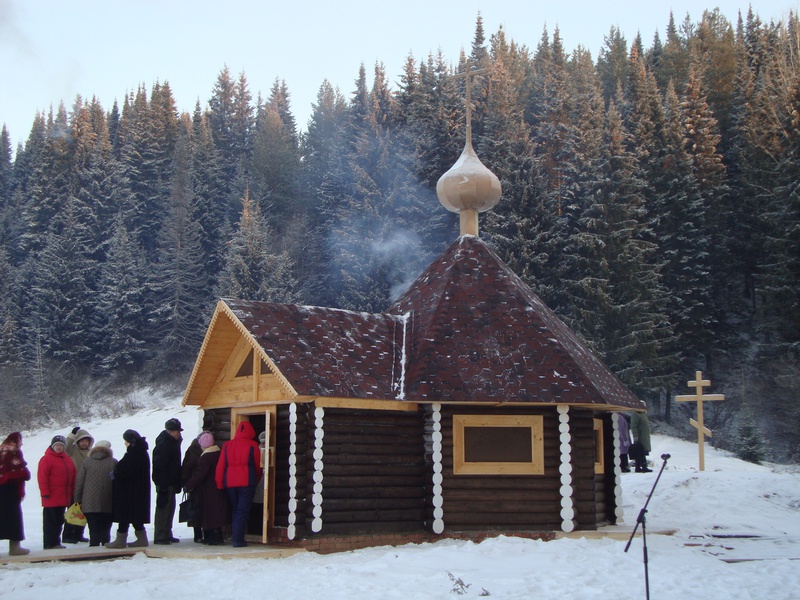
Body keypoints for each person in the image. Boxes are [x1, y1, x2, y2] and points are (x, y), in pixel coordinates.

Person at [215, 421, 261, 547]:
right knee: (242, 511)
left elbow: (220, 466)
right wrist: (256, 479)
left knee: (235, 510)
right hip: (247, 483)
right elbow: (258, 466)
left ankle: (236, 537)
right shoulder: (253, 445)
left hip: (229, 483)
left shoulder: (227, 445)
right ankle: (238, 539)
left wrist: (219, 483)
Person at [107, 429, 151, 549]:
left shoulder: (134, 453)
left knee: (125, 515)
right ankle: (141, 539)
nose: (125, 444)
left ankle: (120, 541)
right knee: (134, 516)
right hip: (137, 491)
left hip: (130, 490)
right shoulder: (140, 451)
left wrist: (116, 474)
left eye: (126, 441)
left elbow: (127, 470)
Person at [185, 432, 229, 546]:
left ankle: (213, 538)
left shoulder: (206, 457)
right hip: (219, 487)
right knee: (216, 512)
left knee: (209, 513)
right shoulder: (218, 453)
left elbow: (201, 474)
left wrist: (189, 484)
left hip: (208, 489)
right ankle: (217, 536)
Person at [74, 439, 117, 546]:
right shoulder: (113, 462)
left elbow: (80, 481)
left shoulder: (87, 462)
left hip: (89, 501)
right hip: (108, 500)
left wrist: (77, 499)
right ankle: (105, 543)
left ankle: (94, 544)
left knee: (93, 526)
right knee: (106, 526)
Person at [38, 435, 77, 550]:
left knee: (60, 520)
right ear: (52, 446)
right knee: (51, 521)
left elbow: (73, 476)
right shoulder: (46, 459)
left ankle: (56, 542)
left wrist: (73, 493)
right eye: (57, 445)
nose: (59, 448)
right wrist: (45, 492)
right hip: (51, 496)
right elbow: (42, 477)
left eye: (61, 446)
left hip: (64, 497)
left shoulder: (67, 459)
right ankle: (49, 543)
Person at [152, 417, 183, 545]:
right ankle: (160, 535)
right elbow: (159, 466)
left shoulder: (173, 443)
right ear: (170, 432)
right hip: (164, 482)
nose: (179, 433)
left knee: (170, 508)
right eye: (177, 431)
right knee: (163, 508)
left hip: (171, 481)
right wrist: (163, 485)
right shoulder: (163, 445)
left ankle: (166, 533)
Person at [0, 432, 31, 556]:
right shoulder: (14, 451)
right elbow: (21, 471)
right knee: (14, 517)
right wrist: (26, 473)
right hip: (10, 489)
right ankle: (14, 547)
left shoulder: (1, 448)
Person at [63, 426, 94, 543]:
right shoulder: (72, 451)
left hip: (87, 487)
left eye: (86, 441)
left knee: (83, 512)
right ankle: (67, 535)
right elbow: (67, 445)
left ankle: (78, 534)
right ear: (78, 442)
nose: (84, 443)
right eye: (82, 441)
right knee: (72, 511)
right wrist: (72, 434)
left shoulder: (91, 452)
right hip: (75, 486)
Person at [180, 432, 204, 543]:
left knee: (199, 508)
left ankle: (199, 534)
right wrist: (187, 483)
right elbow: (186, 467)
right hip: (195, 484)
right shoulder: (193, 451)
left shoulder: (194, 450)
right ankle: (198, 534)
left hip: (198, 483)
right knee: (195, 508)